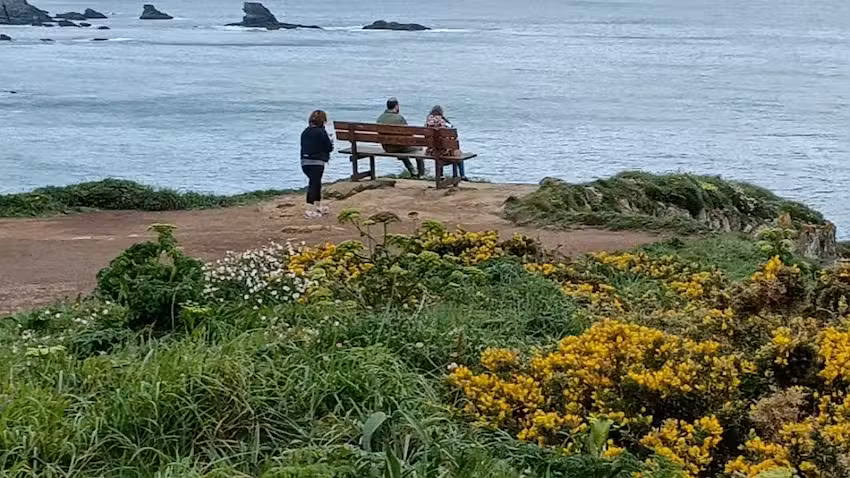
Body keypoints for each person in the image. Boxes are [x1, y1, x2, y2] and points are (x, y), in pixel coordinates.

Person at [376, 97, 425, 178]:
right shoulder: (399, 118)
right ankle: (421, 174)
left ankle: (412, 171)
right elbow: (408, 134)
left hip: (387, 148)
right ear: (396, 106)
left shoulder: (380, 118)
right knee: (419, 149)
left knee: (401, 150)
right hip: (399, 147)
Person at [300, 110, 334, 218]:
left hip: (305, 162)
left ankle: (317, 206)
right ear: (322, 121)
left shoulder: (305, 132)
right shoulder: (321, 132)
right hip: (317, 162)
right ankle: (309, 209)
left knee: (315, 183)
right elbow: (328, 148)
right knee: (314, 184)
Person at [425, 105, 467, 181]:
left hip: (431, 151)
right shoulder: (443, 122)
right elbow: (451, 137)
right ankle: (462, 175)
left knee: (439, 149)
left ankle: (440, 175)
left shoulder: (427, 122)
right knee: (457, 152)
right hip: (444, 151)